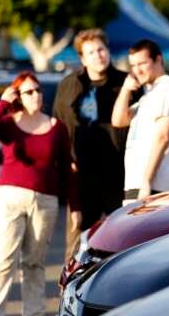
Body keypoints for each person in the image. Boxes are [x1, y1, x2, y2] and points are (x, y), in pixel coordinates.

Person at [0, 72, 80, 316]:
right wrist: (2, 103)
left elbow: (67, 169)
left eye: (38, 90)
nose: (36, 95)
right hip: (10, 196)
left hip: (45, 201)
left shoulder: (56, 127)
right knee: (3, 259)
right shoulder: (8, 123)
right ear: (18, 97)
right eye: (29, 92)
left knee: (34, 262)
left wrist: (75, 206)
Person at [53, 29, 135, 262]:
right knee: (78, 243)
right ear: (82, 58)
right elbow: (58, 126)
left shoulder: (126, 83)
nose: (98, 55)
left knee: (121, 239)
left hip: (117, 173)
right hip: (81, 177)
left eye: (101, 49)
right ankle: (69, 292)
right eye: (91, 52)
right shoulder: (68, 85)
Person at [112, 39, 169, 202]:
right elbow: (118, 120)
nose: (137, 70)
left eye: (142, 63)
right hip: (138, 186)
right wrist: (125, 90)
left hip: (154, 187)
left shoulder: (167, 87)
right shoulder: (148, 95)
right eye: (133, 65)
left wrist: (147, 181)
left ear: (158, 59)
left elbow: (163, 136)